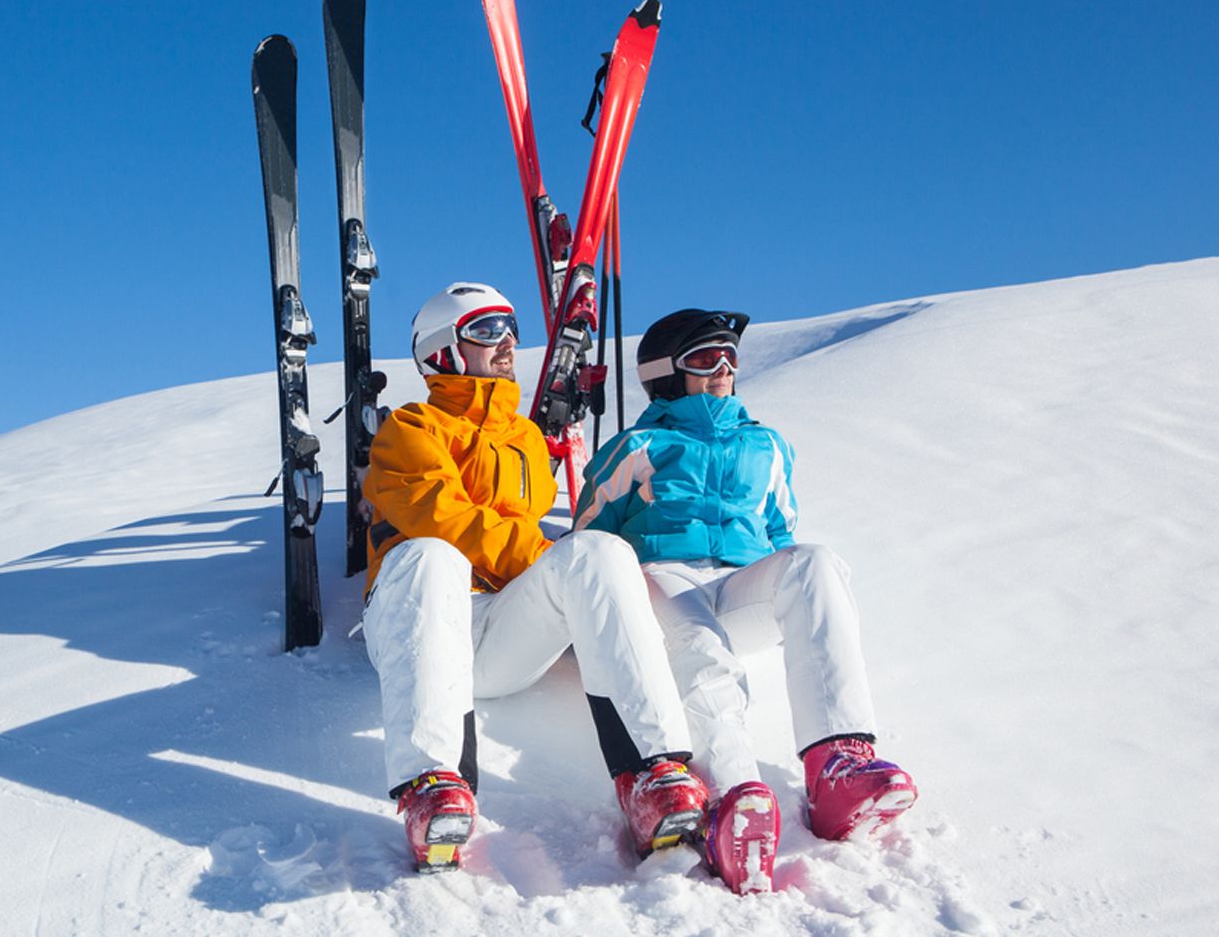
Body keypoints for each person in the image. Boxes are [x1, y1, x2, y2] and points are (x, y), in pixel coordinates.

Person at [360, 282, 721, 876]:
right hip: (419, 624)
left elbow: (534, 550)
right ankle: (433, 784)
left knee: (597, 552)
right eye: (484, 330)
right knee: (432, 554)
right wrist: (543, 562)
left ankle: (653, 774)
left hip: (499, 632)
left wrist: (574, 586)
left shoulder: (527, 440)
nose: (505, 342)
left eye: (509, 328)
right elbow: (449, 522)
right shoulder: (409, 429)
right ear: (442, 350)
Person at [575, 308, 919, 893]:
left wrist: (782, 577)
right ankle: (733, 798)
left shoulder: (768, 445)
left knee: (815, 563)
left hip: (740, 581)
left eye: (731, 358)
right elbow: (589, 537)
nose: (724, 369)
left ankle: (839, 766)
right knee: (700, 646)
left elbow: (781, 532)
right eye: (706, 359)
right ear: (664, 373)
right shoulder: (638, 444)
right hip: (662, 575)